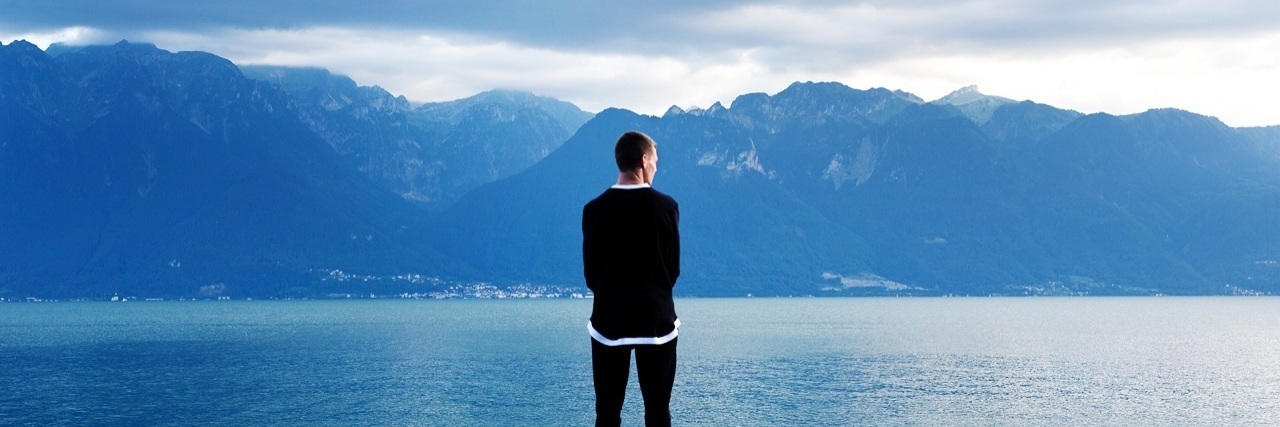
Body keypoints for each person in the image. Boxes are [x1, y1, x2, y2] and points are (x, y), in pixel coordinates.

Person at [582, 130, 681, 427]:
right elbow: (672, 270)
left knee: (608, 413)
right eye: (655, 161)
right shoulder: (666, 207)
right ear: (643, 159)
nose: (656, 168)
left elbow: (591, 275)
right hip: (657, 323)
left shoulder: (593, 210)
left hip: (609, 322)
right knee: (657, 411)